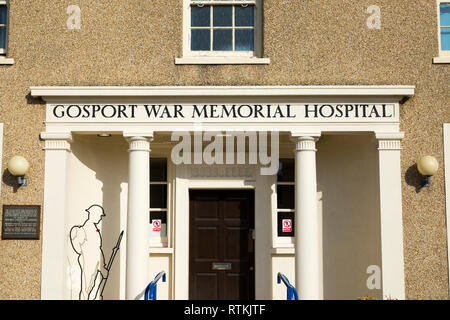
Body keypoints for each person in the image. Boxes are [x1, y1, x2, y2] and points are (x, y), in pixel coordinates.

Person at [69, 205, 108, 300]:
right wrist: (83, 255)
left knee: (96, 285)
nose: (100, 218)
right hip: (87, 262)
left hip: (97, 263)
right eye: (99, 215)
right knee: (87, 287)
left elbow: (99, 248)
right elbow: (77, 245)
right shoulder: (83, 229)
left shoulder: (95, 229)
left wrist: (102, 265)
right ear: (93, 214)